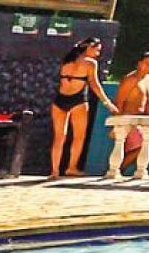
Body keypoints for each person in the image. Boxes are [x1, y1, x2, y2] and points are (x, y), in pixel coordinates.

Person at [49, 38, 116, 178]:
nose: (98, 54)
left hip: (60, 99)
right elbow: (94, 84)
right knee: (79, 136)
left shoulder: (67, 59)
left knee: (59, 137)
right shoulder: (90, 63)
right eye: (97, 50)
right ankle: (71, 167)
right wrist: (107, 103)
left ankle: (54, 171)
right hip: (78, 100)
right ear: (89, 48)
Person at [115, 52, 149, 173]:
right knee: (139, 146)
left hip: (141, 119)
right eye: (147, 63)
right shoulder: (130, 79)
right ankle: (118, 169)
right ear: (140, 63)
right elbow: (119, 101)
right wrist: (117, 123)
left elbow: (148, 101)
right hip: (129, 118)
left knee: (139, 146)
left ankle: (119, 169)